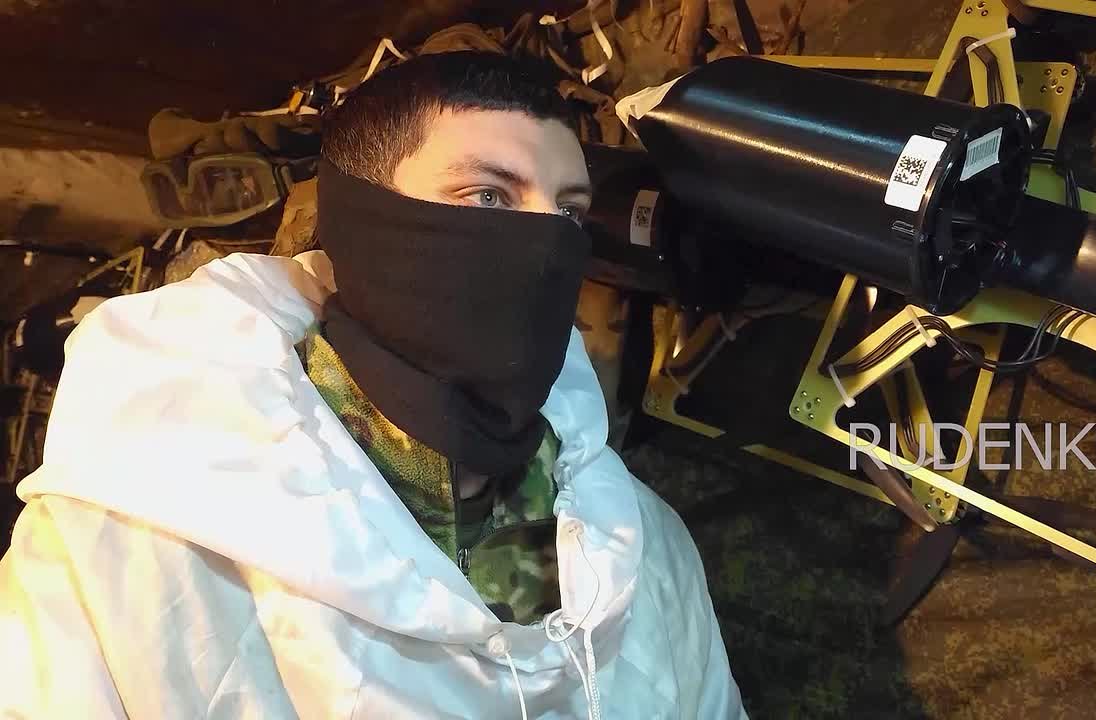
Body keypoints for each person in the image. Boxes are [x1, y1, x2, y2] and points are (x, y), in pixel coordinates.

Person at [0, 51, 745, 719]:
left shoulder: (641, 544)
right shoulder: (126, 550)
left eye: (570, 214)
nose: (547, 244)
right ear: (365, 223)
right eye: (488, 197)